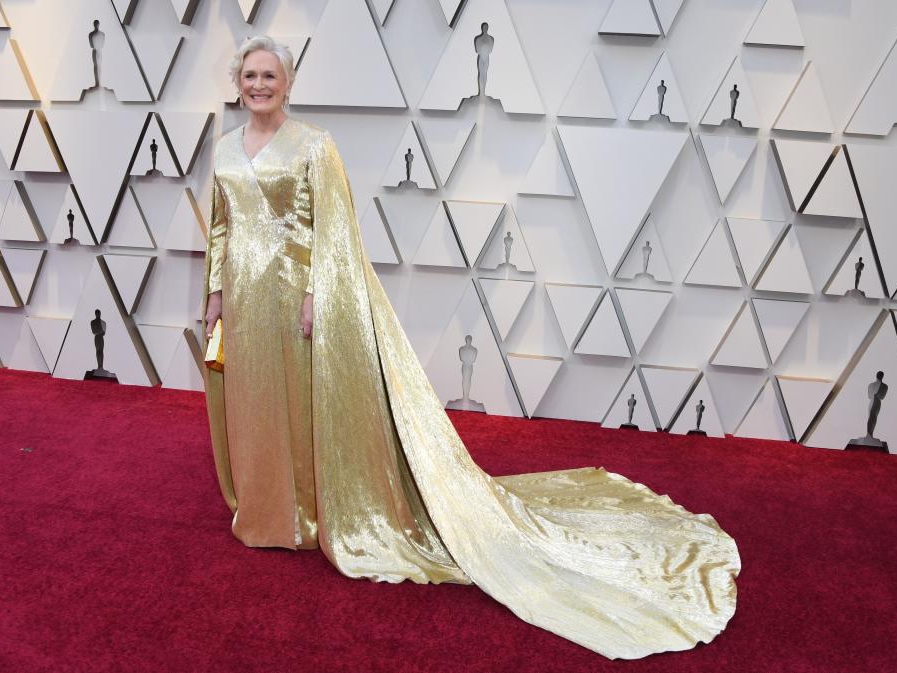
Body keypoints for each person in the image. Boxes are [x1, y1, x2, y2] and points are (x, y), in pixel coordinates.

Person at [203, 36, 740, 661]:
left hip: (295, 293)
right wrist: (215, 290)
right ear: (238, 81)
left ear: (288, 84)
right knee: (255, 402)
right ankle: (263, 513)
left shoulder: (315, 146)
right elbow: (220, 223)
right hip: (243, 297)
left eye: (270, 75)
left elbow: (337, 226)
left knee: (299, 402)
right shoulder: (221, 149)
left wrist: (319, 294)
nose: (259, 84)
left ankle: (305, 518)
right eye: (250, 75)